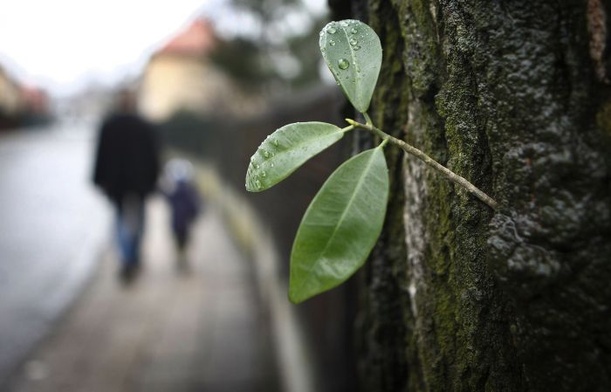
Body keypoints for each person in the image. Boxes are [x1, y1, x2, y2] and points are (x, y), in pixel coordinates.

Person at [92, 88, 160, 281]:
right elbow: (154, 156)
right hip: (140, 182)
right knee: (139, 220)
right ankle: (133, 256)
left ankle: (127, 257)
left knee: (120, 220)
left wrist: (100, 180)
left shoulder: (109, 125)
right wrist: (154, 180)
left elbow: (100, 155)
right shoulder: (145, 125)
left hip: (117, 183)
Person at [160, 158, 201, 265]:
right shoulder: (190, 192)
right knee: (185, 240)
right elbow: (194, 206)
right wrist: (194, 215)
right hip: (186, 223)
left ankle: (180, 255)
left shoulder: (174, 191)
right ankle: (183, 256)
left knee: (178, 240)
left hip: (176, 222)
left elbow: (167, 197)